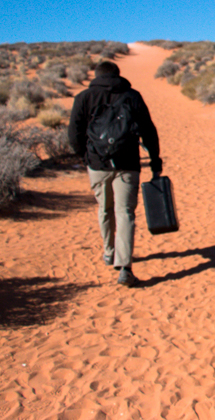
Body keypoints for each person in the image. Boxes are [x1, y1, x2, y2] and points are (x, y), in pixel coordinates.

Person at [69, 60, 162, 287]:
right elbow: (149, 130)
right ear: (118, 74)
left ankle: (109, 252)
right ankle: (125, 268)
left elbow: (74, 133)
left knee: (105, 209)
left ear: (96, 75)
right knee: (125, 212)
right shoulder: (132, 96)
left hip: (97, 164)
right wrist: (154, 160)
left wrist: (85, 156)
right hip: (127, 163)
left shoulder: (83, 98)